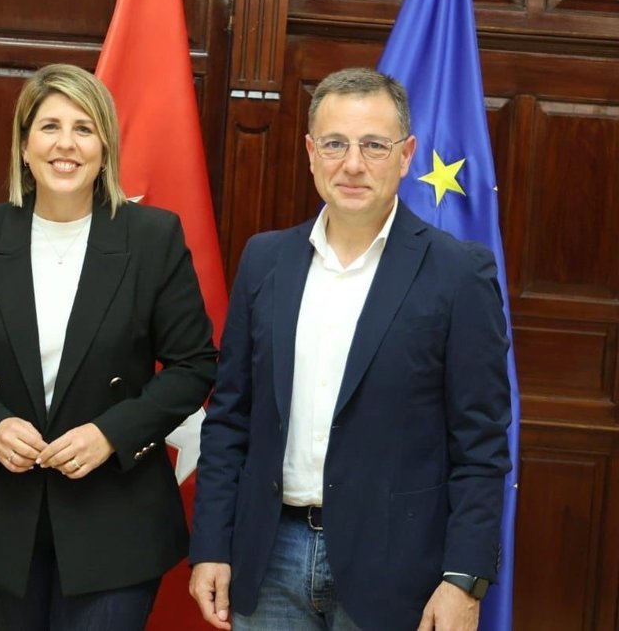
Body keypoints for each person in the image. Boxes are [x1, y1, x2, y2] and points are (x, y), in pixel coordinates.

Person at [188, 68, 511, 631]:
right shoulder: (264, 261)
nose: (353, 164)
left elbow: (480, 445)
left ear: (406, 155)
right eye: (335, 144)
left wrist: (464, 578)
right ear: (311, 153)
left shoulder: (459, 274)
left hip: (401, 571)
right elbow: (230, 417)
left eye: (374, 145)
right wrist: (212, 544)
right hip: (269, 562)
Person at [0, 63, 216, 630]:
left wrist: (112, 433)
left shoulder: (152, 237)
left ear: (105, 148)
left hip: (116, 516)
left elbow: (194, 364)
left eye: (84, 128)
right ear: (24, 145)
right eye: (50, 127)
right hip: (0, 515)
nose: (66, 144)